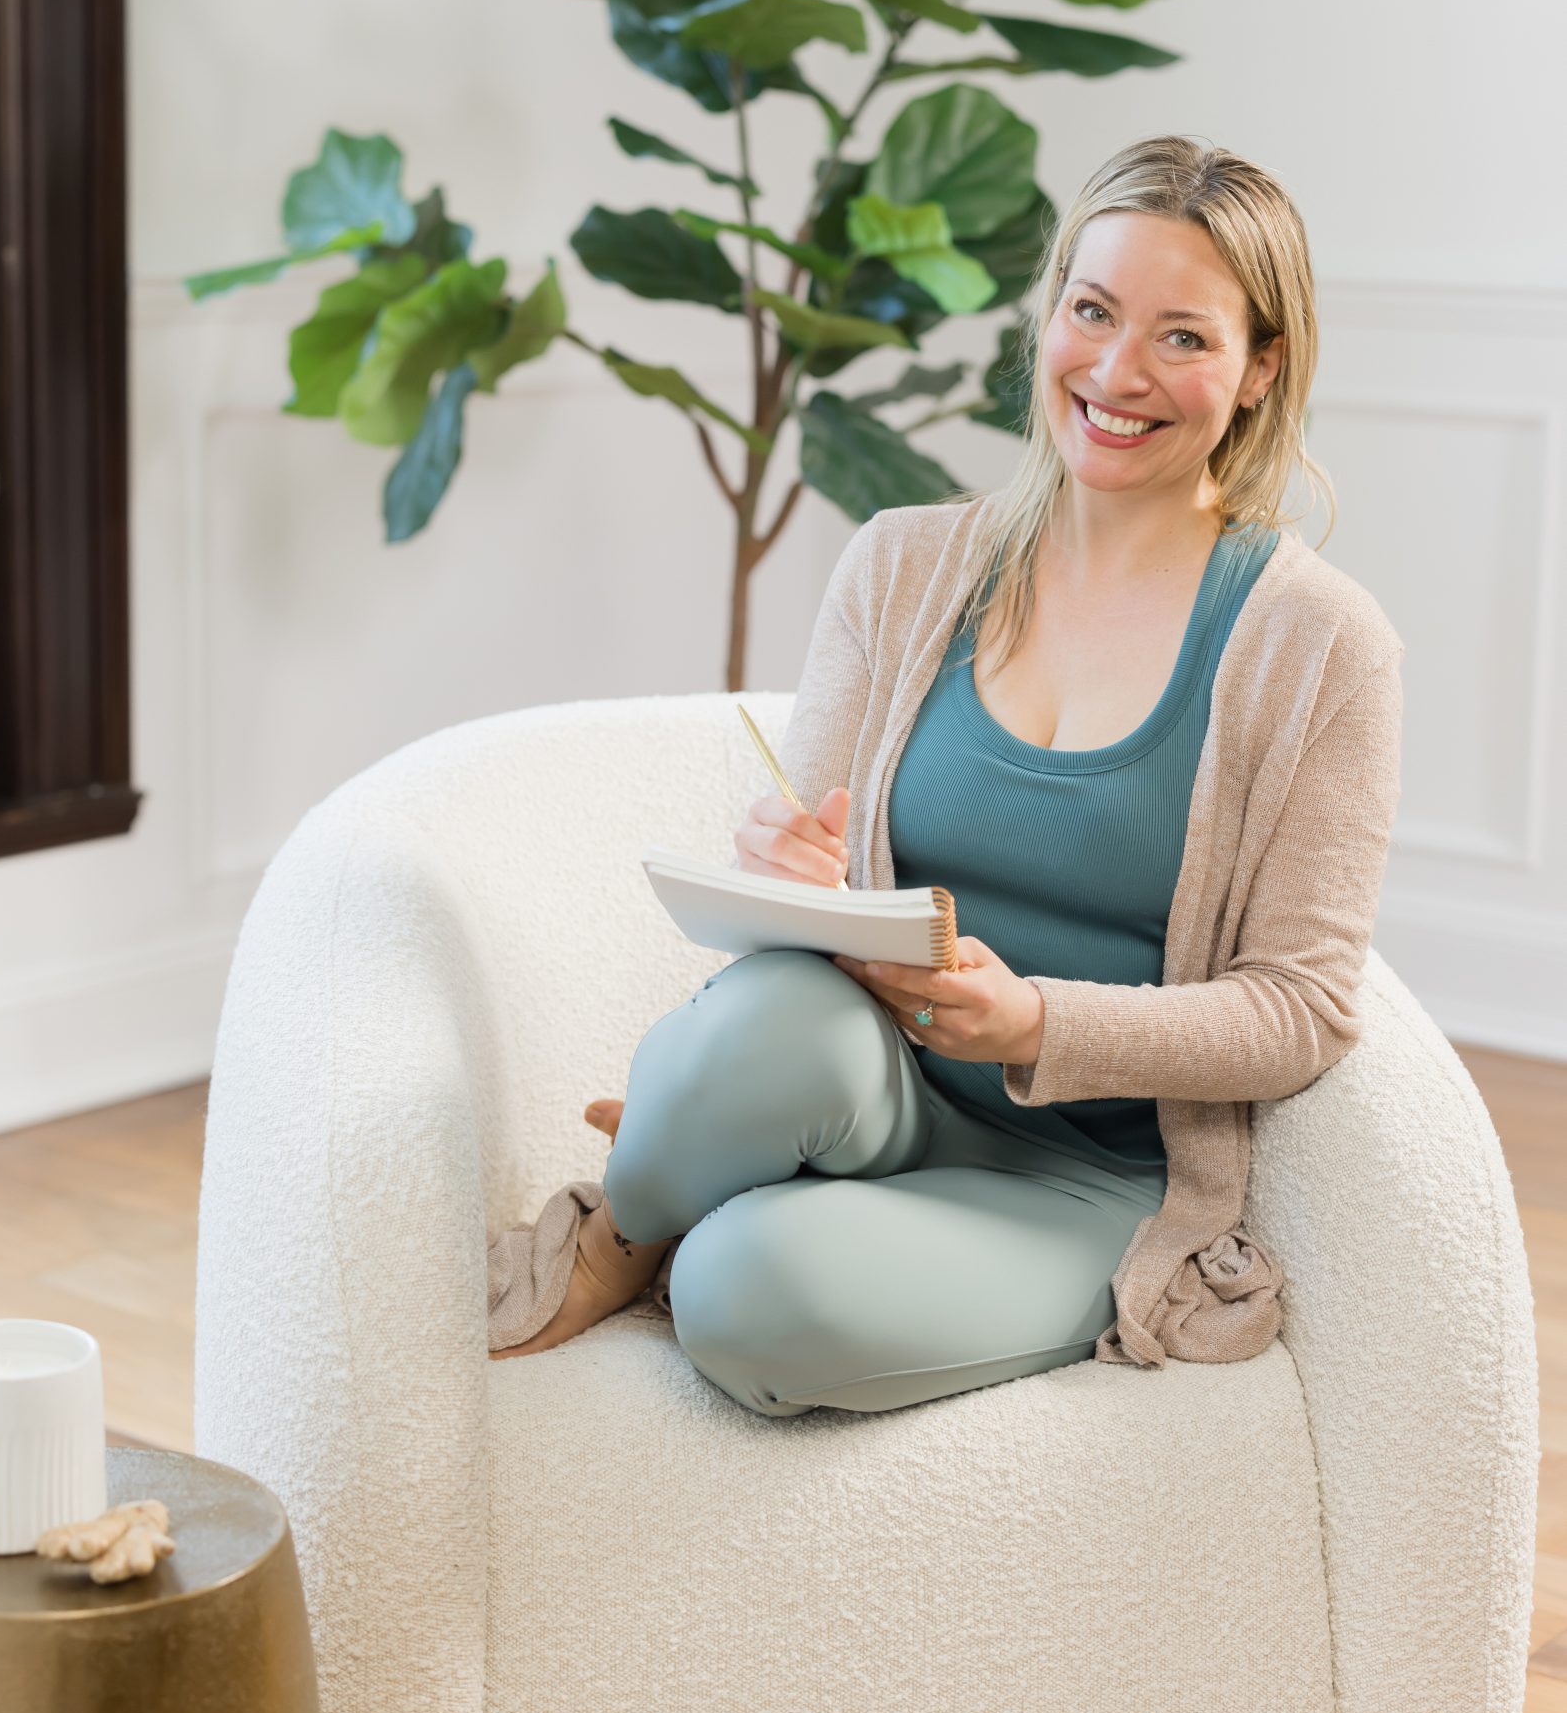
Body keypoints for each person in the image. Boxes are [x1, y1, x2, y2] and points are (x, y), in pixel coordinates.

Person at [489, 134, 1404, 1413]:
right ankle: (622, 1224)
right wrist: (787, 864)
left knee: (741, 1298)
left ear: (1260, 369)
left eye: (1182, 337)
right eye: (1091, 311)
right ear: (1050, 317)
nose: (1116, 371)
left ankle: (709, 1200)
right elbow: (812, 876)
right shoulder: (904, 566)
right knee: (754, 1025)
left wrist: (1035, 1020)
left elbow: (1300, 1010)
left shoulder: (1318, 646)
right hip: (870, 1083)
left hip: (1079, 1180)